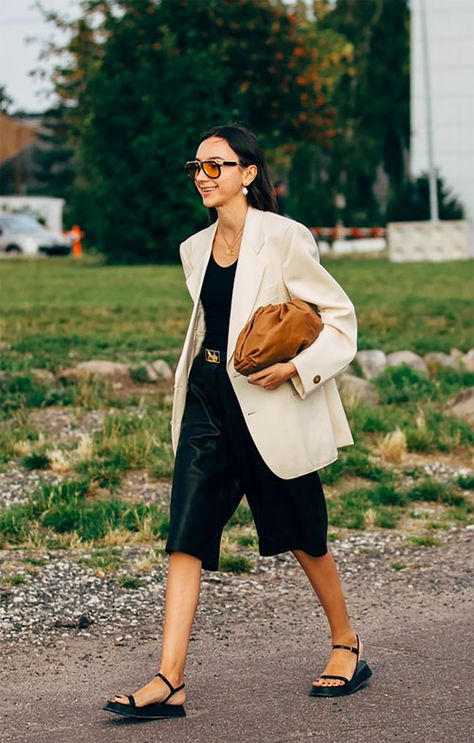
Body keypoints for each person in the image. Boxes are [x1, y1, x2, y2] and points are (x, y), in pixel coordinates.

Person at [103, 123, 373, 721]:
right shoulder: (193, 249)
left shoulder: (284, 238)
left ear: (247, 174)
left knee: (304, 534)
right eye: (197, 167)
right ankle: (168, 679)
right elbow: (208, 329)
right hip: (208, 404)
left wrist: (297, 370)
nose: (204, 176)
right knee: (187, 535)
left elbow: (340, 319)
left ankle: (346, 644)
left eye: (216, 166)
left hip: (268, 407)